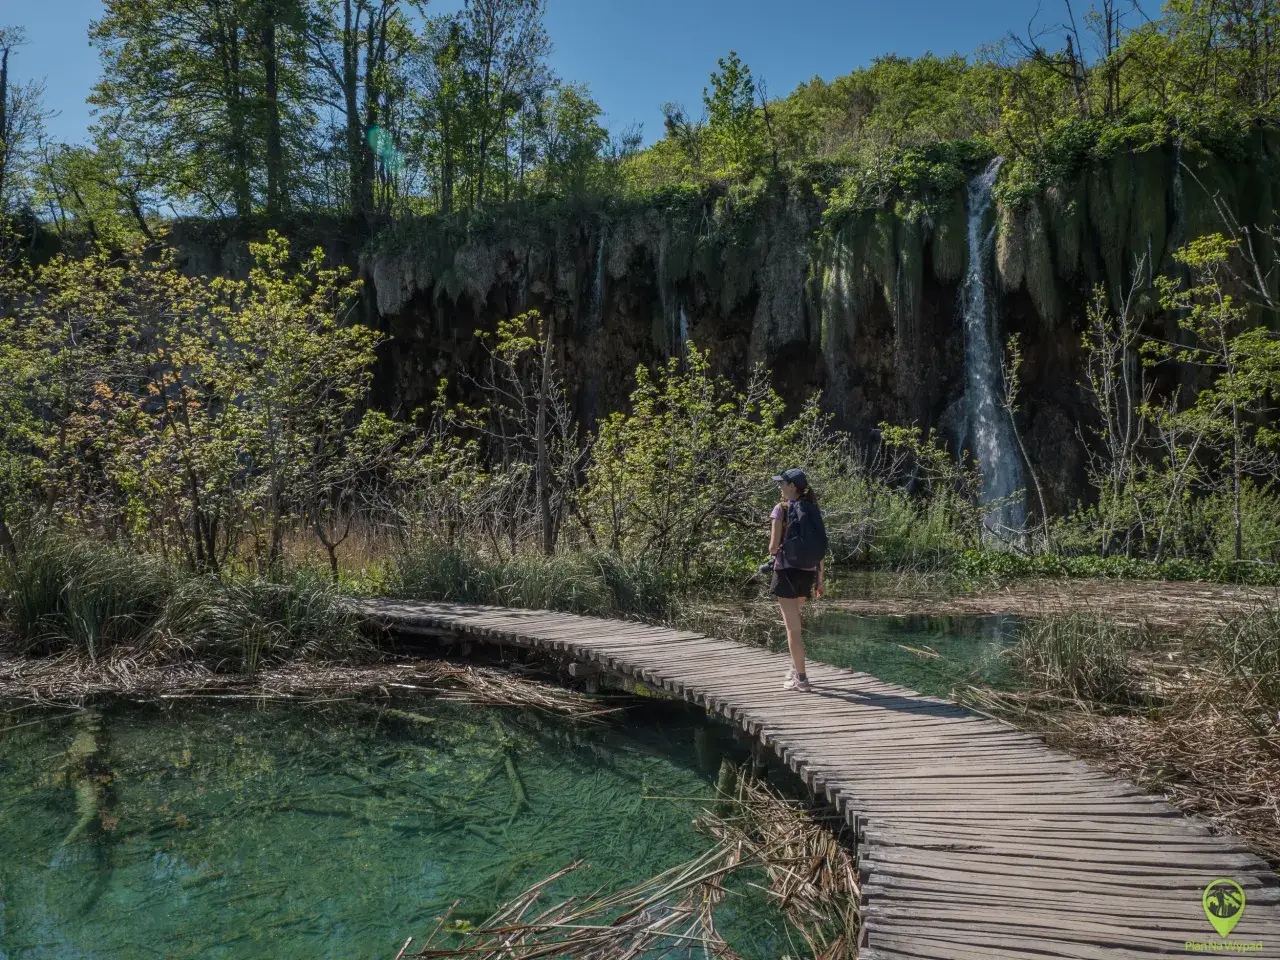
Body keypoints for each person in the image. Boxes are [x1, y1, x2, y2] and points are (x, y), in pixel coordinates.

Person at [767, 468, 825, 692]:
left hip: (786, 573)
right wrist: (820, 579)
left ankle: (801, 679)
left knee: (793, 630)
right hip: (808, 574)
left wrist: (775, 552)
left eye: (782, 483)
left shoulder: (780, 509)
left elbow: (773, 547)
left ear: (792, 486)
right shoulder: (812, 508)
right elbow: (819, 549)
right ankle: (794, 670)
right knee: (797, 625)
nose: (780, 487)